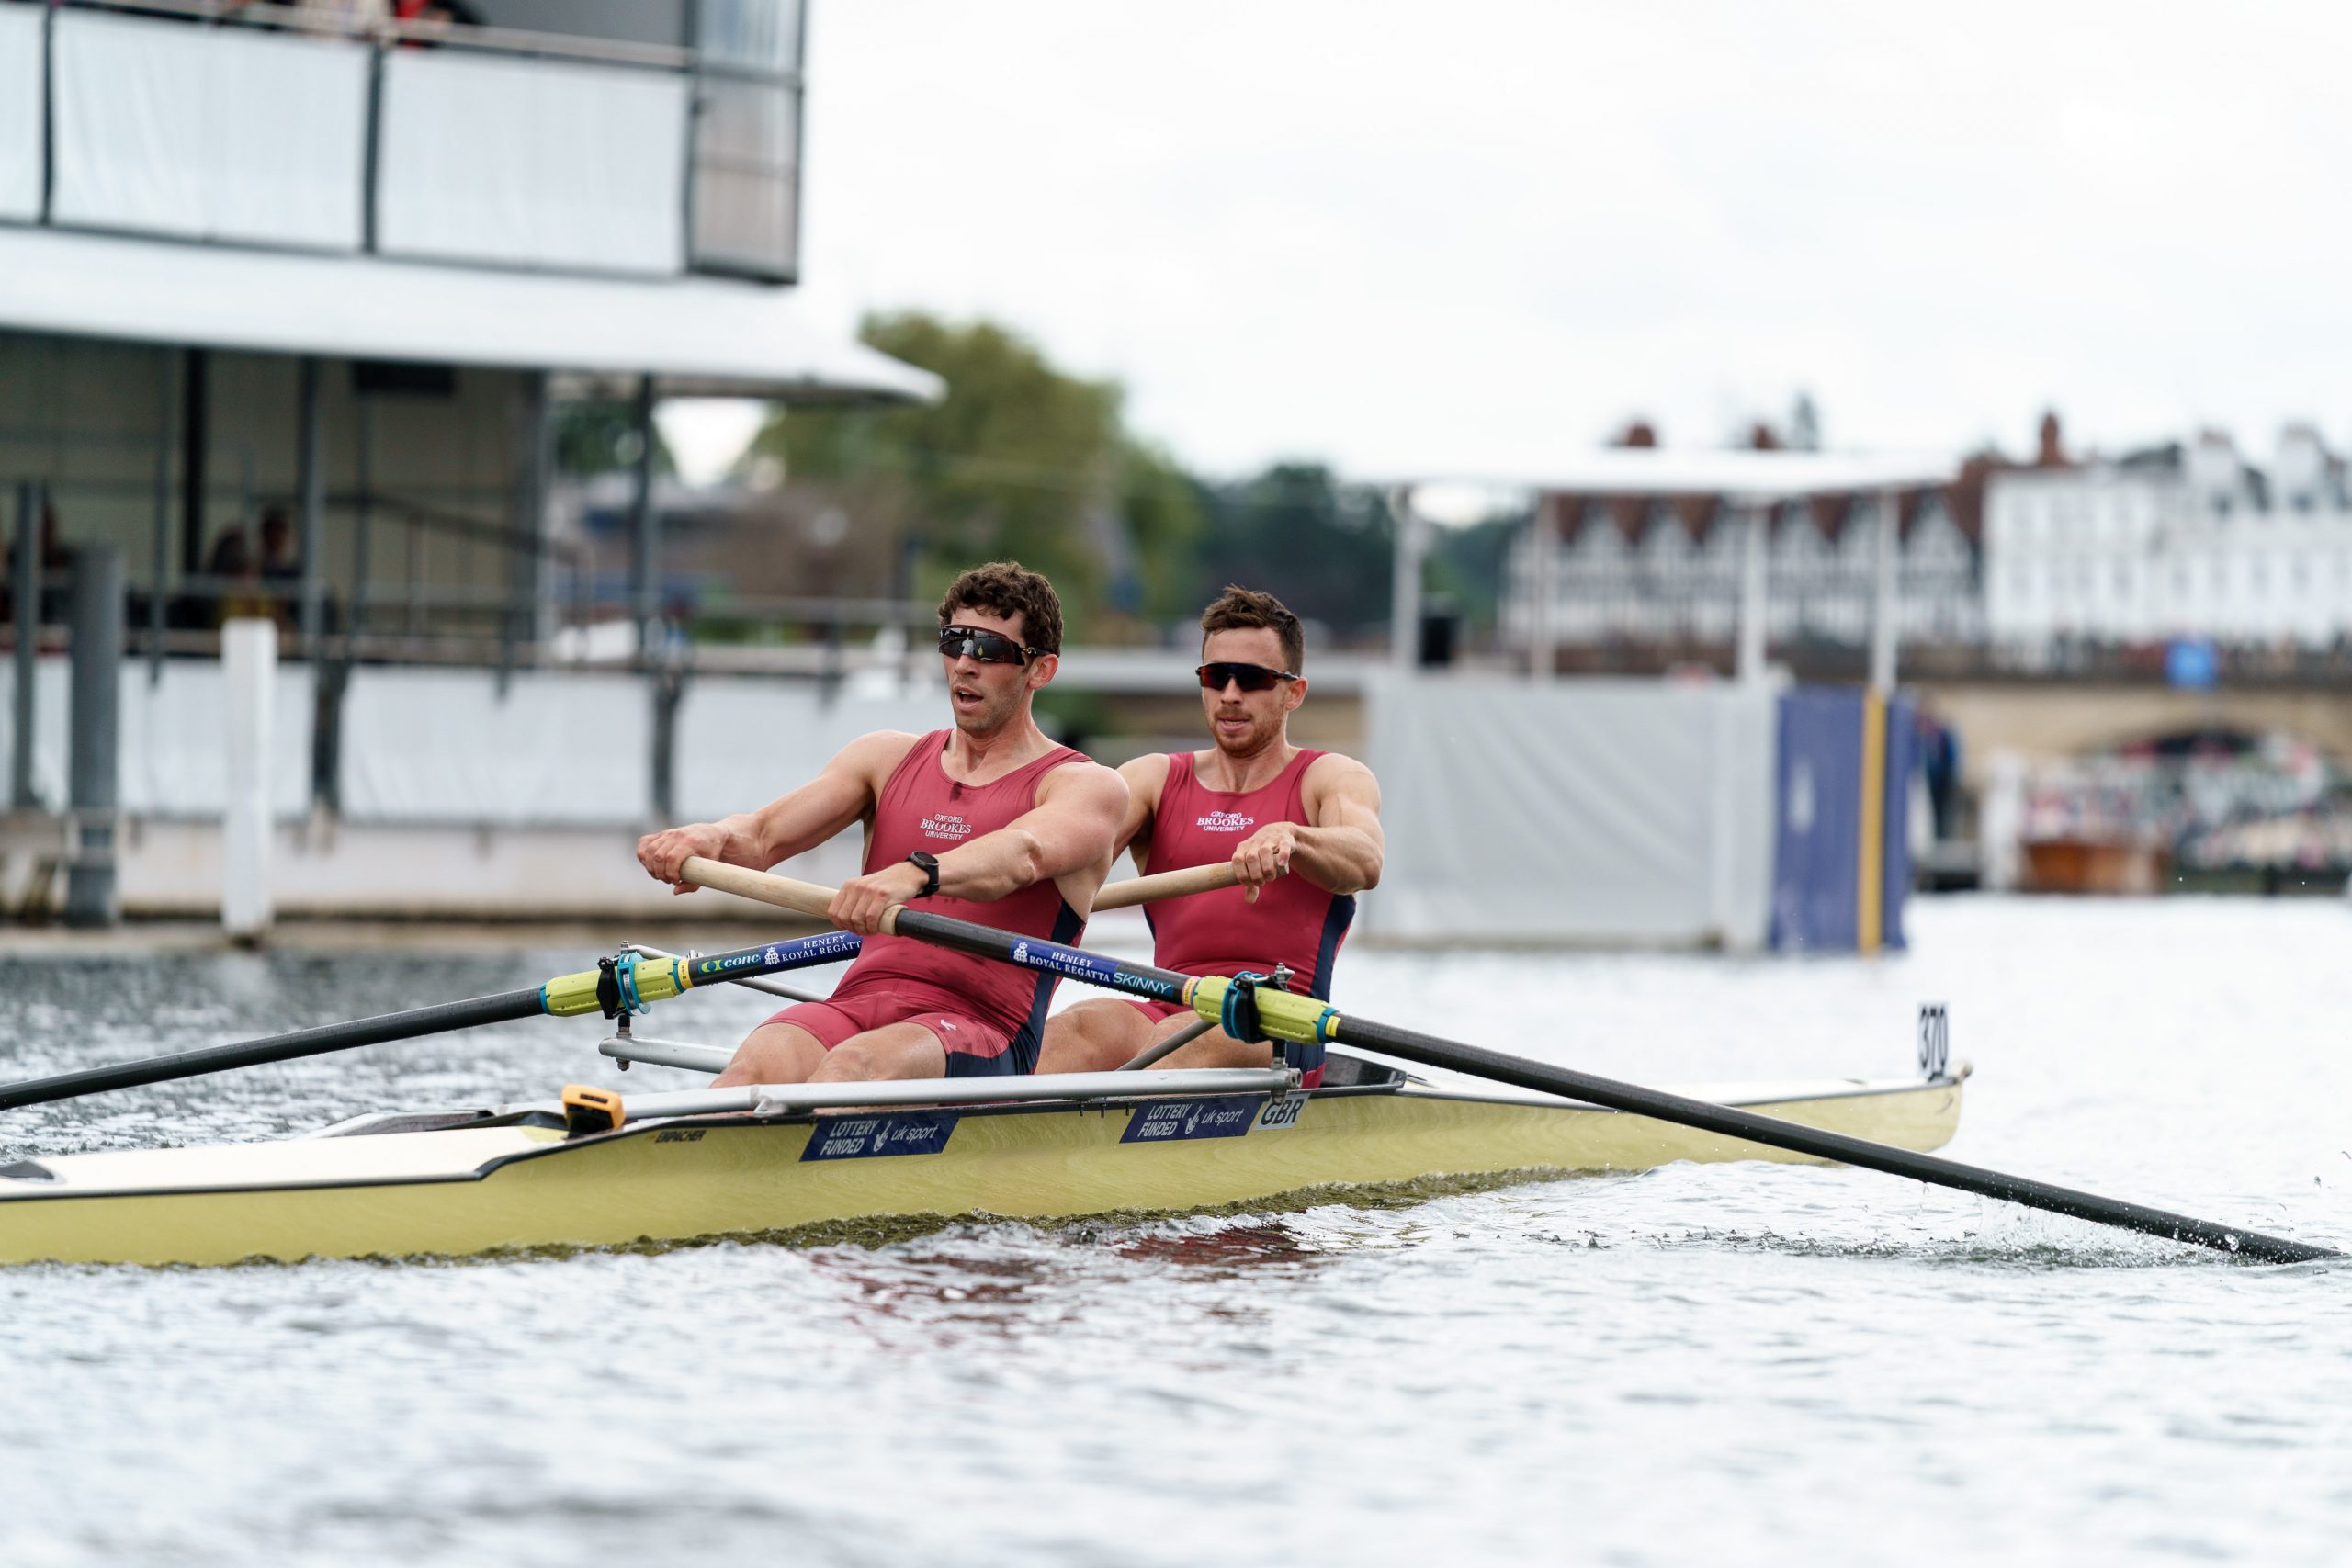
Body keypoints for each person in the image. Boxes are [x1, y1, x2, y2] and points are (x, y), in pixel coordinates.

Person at [636, 561, 1126, 1085]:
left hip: (982, 1029)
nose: (964, 664)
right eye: (954, 642)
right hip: (859, 1002)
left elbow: (1023, 854)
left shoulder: (1084, 786)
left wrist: (914, 873)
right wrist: (707, 837)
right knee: (758, 1061)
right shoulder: (883, 758)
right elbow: (759, 837)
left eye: (990, 650)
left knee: (853, 1067)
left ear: (1040, 670)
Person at [1035, 585, 1384, 1086]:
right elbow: (1059, 858)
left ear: (1293, 692)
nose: (1231, 694)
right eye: (1216, 676)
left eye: (1254, 679)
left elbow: (1366, 860)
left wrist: (1294, 838)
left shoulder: (1332, 778)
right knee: (1072, 1032)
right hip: (1167, 1009)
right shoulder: (1153, 778)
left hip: (1278, 1025)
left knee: (1177, 1045)